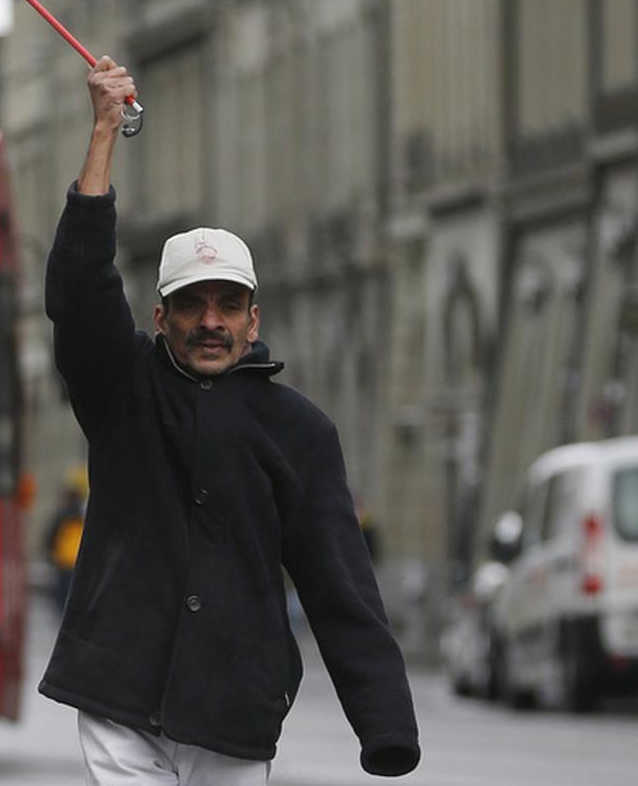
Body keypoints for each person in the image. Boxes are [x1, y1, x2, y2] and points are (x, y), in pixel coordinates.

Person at [38, 56, 420, 785]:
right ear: (161, 317)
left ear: (253, 319)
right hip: (121, 697)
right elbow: (80, 291)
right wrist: (103, 132)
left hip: (236, 710)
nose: (209, 322)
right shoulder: (124, 390)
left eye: (227, 305)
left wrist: (386, 725)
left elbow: (340, 586)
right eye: (191, 305)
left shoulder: (300, 432)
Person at [46, 464, 90, 613]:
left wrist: (51, 556)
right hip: (81, 563)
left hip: (64, 563)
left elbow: (50, 538)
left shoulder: (63, 514)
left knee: (61, 598)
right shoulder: (86, 513)